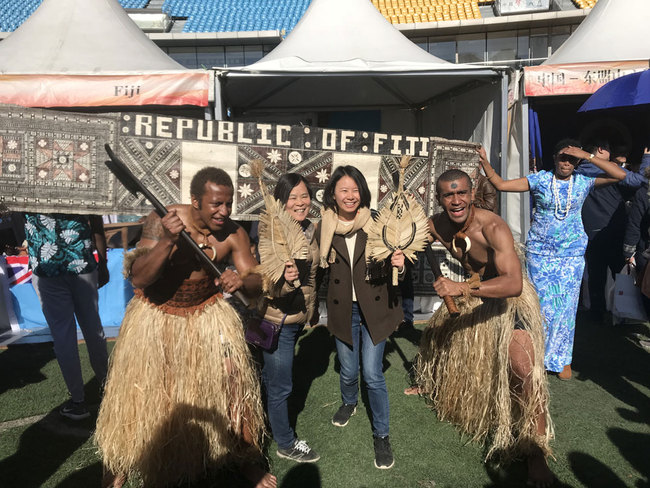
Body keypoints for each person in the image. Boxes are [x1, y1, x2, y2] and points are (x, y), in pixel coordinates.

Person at [95, 168, 275, 488]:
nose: (224, 211)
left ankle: (245, 457)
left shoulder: (234, 234)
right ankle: (119, 463)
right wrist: (167, 241)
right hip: (155, 315)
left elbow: (255, 283)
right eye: (216, 204)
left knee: (234, 380)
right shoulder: (162, 220)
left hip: (207, 315)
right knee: (138, 390)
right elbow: (138, 277)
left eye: (228, 204)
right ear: (195, 201)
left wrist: (241, 280)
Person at [406, 168, 553, 487]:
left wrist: (461, 288)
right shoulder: (436, 224)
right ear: (439, 198)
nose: (456, 200)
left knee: (523, 369)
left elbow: (513, 283)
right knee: (437, 333)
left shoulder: (493, 226)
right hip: (473, 289)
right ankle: (432, 383)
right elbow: (410, 240)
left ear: (471, 195)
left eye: (461, 193)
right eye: (448, 194)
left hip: (507, 297)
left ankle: (536, 452)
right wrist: (398, 251)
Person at [479, 140, 626, 380]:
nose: (566, 162)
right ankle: (536, 356)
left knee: (566, 309)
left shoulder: (583, 182)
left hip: (571, 255)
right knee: (540, 307)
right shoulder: (540, 180)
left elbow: (620, 175)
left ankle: (562, 359)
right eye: (562, 157)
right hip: (540, 255)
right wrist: (485, 162)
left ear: (577, 161)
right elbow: (501, 184)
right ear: (554, 158)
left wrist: (587, 155)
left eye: (571, 159)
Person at [317, 165, 404, 470]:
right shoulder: (325, 225)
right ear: (333, 194)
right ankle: (350, 401)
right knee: (348, 371)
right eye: (344, 190)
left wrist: (398, 263)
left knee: (372, 374)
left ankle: (381, 435)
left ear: (363, 193)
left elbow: (396, 264)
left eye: (355, 190)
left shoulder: (378, 221)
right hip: (343, 309)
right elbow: (318, 269)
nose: (350, 196)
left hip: (374, 309)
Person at [257, 173, 320, 463]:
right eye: (292, 197)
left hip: (297, 318)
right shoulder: (271, 233)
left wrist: (313, 309)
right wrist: (283, 280)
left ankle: (266, 422)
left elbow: (315, 276)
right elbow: (265, 286)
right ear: (281, 202)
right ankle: (285, 442)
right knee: (281, 384)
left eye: (304, 196)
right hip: (277, 320)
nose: (300, 202)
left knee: (275, 380)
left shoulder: (311, 229)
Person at [24, 213, 109, 420]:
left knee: (63, 337)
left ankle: (78, 402)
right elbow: (96, 224)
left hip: (47, 268)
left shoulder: (22, 183)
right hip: (82, 263)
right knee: (93, 330)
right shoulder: (84, 181)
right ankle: (109, 388)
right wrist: (103, 262)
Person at [576, 139, 649, 321]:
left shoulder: (577, 172)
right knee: (623, 273)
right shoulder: (609, 169)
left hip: (590, 231)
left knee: (596, 275)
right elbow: (639, 181)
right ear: (601, 149)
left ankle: (597, 313)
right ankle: (628, 311)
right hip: (613, 229)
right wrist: (647, 159)